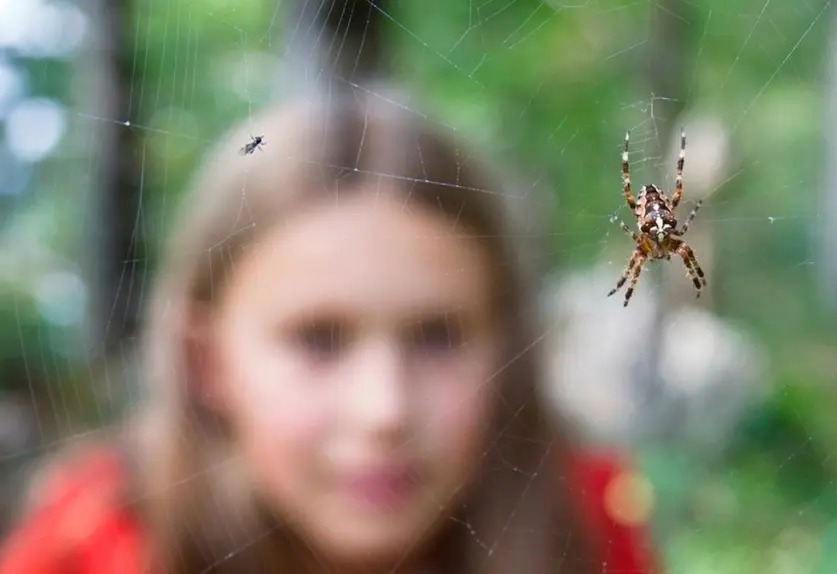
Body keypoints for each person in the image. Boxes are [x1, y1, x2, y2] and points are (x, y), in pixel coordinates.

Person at [0, 86, 658, 574]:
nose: (385, 410)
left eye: (437, 336)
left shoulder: (582, 517)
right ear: (208, 363)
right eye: (319, 339)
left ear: (507, 344)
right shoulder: (92, 537)